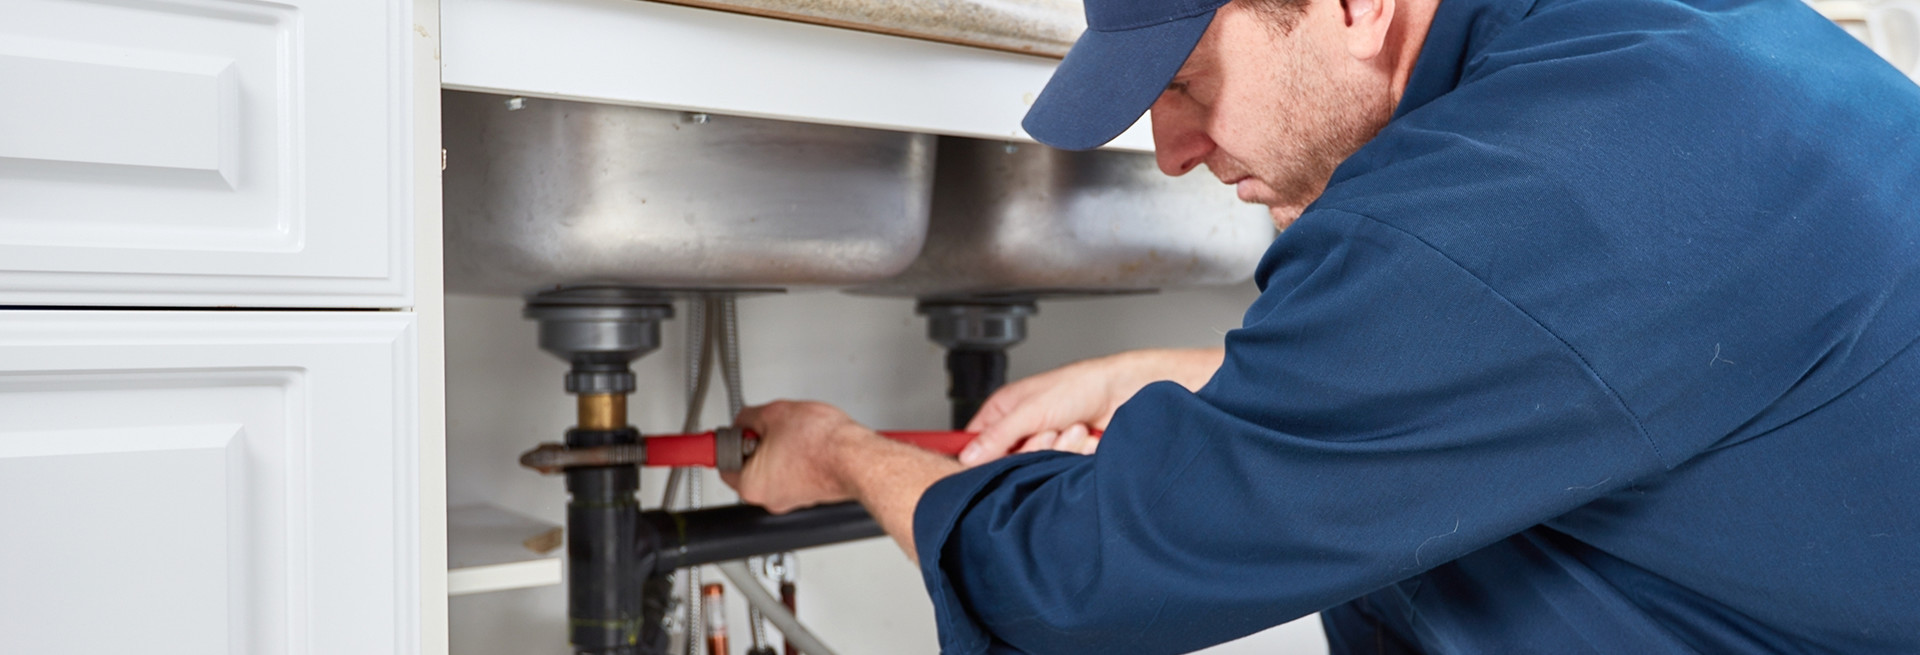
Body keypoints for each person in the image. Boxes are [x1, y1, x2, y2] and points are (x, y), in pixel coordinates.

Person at [723, 0, 1920, 651]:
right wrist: (1172, 376)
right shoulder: (1665, 46)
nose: (1174, 151)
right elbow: (1599, 369)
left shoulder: (1505, 199)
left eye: (1187, 83)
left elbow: (1072, 589)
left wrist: (834, 452)